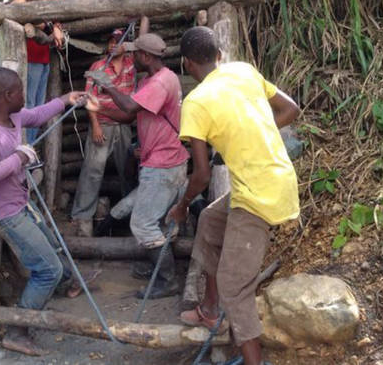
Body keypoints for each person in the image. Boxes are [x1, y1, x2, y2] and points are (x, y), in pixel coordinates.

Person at [168, 26, 300, 365]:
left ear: (186, 64)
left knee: (234, 285)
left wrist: (182, 206)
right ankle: (210, 311)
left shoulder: (195, 102)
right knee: (210, 222)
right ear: (218, 55)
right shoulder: (242, 70)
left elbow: (201, 175)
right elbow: (290, 110)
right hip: (273, 180)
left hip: (258, 196)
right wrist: (250, 138)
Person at [0, 67, 90, 356]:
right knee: (48, 269)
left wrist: (66, 99)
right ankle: (17, 330)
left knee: (54, 247)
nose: (25, 93)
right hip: (3, 210)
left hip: (17, 200)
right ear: (8, 95)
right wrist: (18, 157)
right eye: (21, 90)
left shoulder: (13, 116)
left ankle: (63, 285)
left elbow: (37, 114)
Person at [88, 32, 189, 299]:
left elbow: (130, 107)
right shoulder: (159, 78)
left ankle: (167, 280)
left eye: (135, 54)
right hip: (168, 159)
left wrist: (106, 86)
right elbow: (130, 115)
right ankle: (158, 268)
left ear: (145, 56)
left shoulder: (158, 83)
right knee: (161, 221)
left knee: (143, 224)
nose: (132, 57)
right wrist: (99, 109)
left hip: (163, 164)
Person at [70, 28, 136, 237]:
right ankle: (82, 217)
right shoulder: (98, 67)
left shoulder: (131, 65)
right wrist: (96, 125)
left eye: (117, 42)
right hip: (103, 124)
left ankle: (132, 215)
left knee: (128, 170)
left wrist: (130, 44)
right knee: (92, 171)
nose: (112, 45)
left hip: (123, 125)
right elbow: (89, 99)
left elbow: (144, 42)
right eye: (110, 42)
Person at [25, 0, 83, 143]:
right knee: (30, 105)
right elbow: (38, 18)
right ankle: (25, 147)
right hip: (32, 57)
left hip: (43, 58)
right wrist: (53, 27)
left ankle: (30, 146)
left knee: (39, 105)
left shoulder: (60, 0)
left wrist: (56, 26)